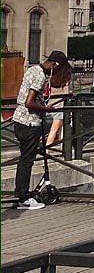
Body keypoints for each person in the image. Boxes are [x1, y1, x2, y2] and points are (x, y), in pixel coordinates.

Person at [12, 51, 72, 210]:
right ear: (55, 65)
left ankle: (20, 194)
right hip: (30, 122)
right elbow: (29, 102)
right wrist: (46, 108)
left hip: (19, 120)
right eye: (59, 70)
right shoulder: (40, 76)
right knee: (27, 160)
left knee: (24, 159)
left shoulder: (32, 69)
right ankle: (23, 197)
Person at [45, 70, 72, 149]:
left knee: (59, 127)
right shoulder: (64, 82)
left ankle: (62, 146)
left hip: (51, 104)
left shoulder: (52, 80)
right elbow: (66, 95)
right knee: (55, 129)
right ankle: (47, 148)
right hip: (60, 106)